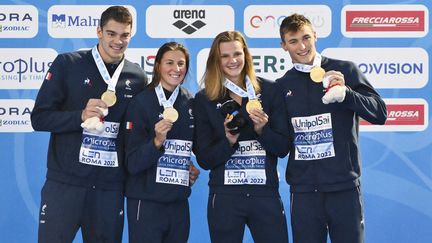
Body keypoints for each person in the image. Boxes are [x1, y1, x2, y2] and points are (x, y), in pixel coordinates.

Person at [31, 6, 147, 243]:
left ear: (131, 35)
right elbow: (39, 118)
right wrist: (80, 116)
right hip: (65, 185)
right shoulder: (68, 64)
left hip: (109, 189)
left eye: (124, 35)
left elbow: (137, 136)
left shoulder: (137, 77)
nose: (118, 41)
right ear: (99, 32)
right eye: (111, 33)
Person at [276, 13, 387, 243]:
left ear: (315, 36)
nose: (302, 46)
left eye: (306, 37)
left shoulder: (344, 70)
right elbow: (281, 143)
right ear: (284, 46)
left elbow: (379, 113)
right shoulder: (282, 86)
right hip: (305, 192)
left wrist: (348, 94)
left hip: (344, 188)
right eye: (293, 40)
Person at [194, 31, 290, 243]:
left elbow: (282, 148)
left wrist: (262, 130)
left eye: (237, 53)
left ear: (246, 55)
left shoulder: (270, 90)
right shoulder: (204, 99)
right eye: (225, 56)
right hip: (225, 197)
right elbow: (204, 159)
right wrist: (228, 141)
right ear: (216, 60)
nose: (233, 61)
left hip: (265, 194)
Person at [124, 41, 200, 243]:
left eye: (181, 64)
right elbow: (132, 163)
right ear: (157, 66)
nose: (176, 69)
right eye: (170, 63)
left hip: (178, 202)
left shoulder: (191, 102)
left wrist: (189, 169)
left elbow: (189, 149)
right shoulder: (141, 102)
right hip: (146, 202)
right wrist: (156, 142)